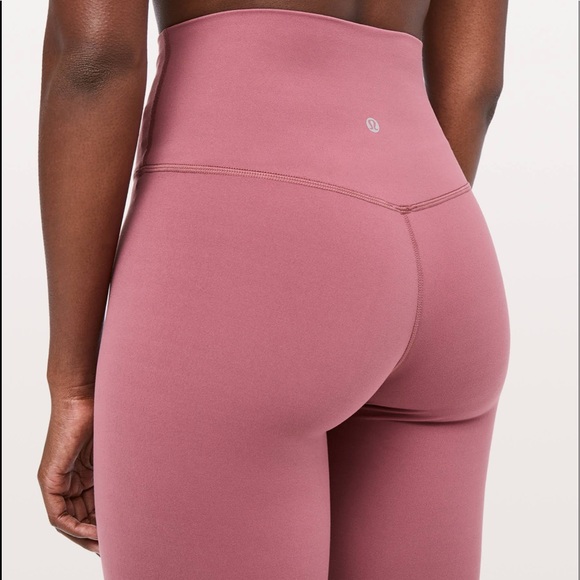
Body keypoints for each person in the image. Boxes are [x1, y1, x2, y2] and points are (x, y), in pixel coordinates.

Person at [36, 1, 510, 579]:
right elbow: (476, 85)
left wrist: (75, 385)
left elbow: (95, 58)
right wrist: (373, 247)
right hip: (447, 246)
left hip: (239, 252)